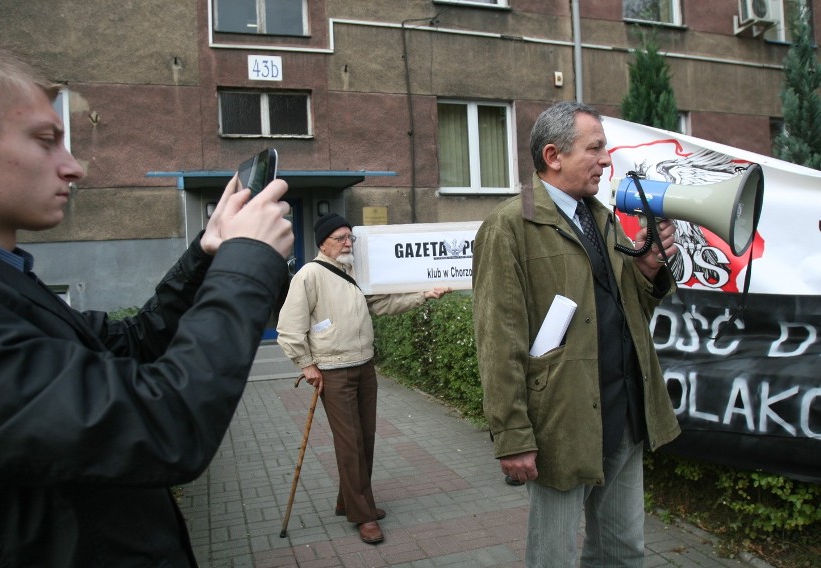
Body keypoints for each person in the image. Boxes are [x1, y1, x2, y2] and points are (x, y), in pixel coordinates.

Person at [0, 34, 294, 566]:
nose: (74, 167)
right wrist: (249, 260)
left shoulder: (3, 282)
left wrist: (209, 253)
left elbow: (130, 345)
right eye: (46, 139)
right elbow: (162, 424)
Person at [472, 101, 682, 567]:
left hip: (624, 413)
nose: (608, 159)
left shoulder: (602, 217)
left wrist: (647, 272)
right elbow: (497, 340)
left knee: (623, 551)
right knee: (554, 557)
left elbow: (627, 313)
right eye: (596, 148)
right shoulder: (509, 226)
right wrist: (513, 436)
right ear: (553, 155)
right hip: (562, 423)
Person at [276, 213, 451, 545]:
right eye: (340, 237)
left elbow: (382, 304)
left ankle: (350, 501)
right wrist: (306, 364)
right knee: (350, 442)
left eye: (350, 237)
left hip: (364, 365)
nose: (347, 243)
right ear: (322, 242)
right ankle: (363, 515)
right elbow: (288, 328)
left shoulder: (353, 272)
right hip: (332, 370)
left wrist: (424, 295)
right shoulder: (309, 275)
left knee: (365, 438)